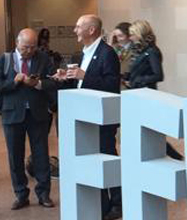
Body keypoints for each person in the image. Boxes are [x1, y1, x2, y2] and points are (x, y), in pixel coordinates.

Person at [52, 14, 123, 220]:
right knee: (94, 163)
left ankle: (117, 203)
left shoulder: (107, 53)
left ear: (91, 30)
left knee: (107, 158)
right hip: (84, 119)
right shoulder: (81, 54)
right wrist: (66, 78)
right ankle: (101, 204)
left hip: (102, 119)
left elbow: (111, 86)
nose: (74, 30)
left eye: (78, 27)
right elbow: (80, 85)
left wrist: (85, 76)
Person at [0, 28, 58, 210]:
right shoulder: (3, 60)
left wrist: (39, 83)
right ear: (17, 43)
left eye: (33, 47)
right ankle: (20, 194)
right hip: (12, 114)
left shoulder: (43, 58)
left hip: (38, 113)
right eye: (26, 47)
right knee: (15, 156)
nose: (29, 51)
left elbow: (54, 81)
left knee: (41, 154)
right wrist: (15, 82)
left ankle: (43, 194)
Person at [125, 20, 184, 160]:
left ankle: (175, 157)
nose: (131, 38)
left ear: (140, 34)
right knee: (145, 131)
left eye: (133, 34)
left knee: (152, 131)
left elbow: (158, 75)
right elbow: (137, 71)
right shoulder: (139, 51)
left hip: (147, 95)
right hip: (137, 94)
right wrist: (128, 77)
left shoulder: (151, 51)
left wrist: (138, 80)